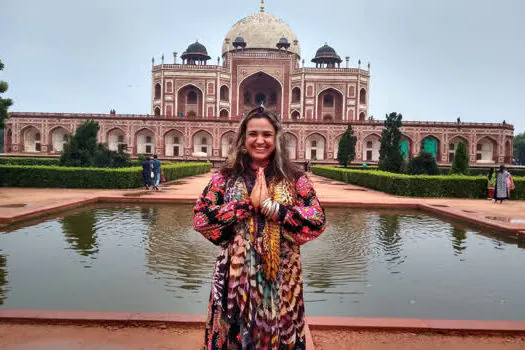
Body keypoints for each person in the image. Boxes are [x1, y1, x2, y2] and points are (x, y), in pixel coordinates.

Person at [193, 106, 326, 349]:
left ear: (276, 138)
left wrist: (274, 209)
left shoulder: (295, 178)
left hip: (282, 277)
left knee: (280, 334)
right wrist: (246, 206)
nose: (260, 141)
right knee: (233, 336)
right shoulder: (225, 177)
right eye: (253, 134)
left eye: (266, 134)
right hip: (234, 278)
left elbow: (317, 219)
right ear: (243, 138)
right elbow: (201, 218)